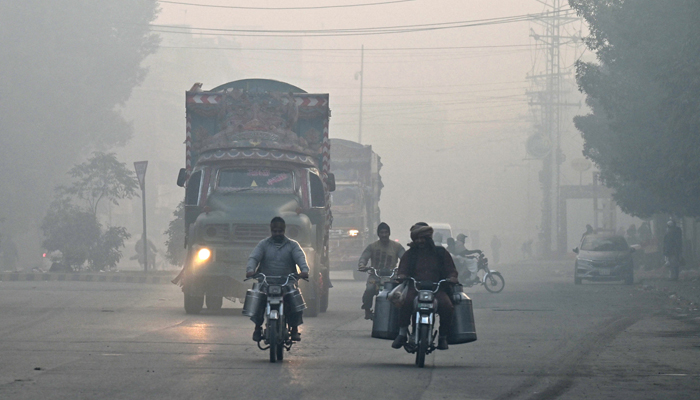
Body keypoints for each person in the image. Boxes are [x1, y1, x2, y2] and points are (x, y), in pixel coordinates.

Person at [392, 223, 458, 351]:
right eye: (417, 238)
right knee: (405, 303)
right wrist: (401, 276)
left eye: (423, 238)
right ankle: (402, 334)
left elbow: (451, 269)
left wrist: (452, 277)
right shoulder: (410, 254)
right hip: (414, 288)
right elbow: (403, 268)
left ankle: (443, 337)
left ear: (429, 238)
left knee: (447, 307)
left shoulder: (441, 252)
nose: (420, 241)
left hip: (437, 289)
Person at [246, 216, 310, 342]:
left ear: (284, 231)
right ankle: (257, 327)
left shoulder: (293, 245)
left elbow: (300, 258)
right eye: (275, 231)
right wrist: (250, 270)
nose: (277, 234)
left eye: (280, 231)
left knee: (295, 301)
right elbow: (254, 258)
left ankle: (295, 328)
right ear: (271, 231)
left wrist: (304, 270)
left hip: (287, 282)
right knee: (258, 301)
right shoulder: (263, 244)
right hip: (266, 282)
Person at [357, 222, 405, 320]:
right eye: (381, 233)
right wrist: (362, 265)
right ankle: (367, 310)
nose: (384, 235)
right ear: (378, 234)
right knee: (369, 289)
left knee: (398, 293)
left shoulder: (397, 246)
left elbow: (405, 259)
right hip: (375, 275)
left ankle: (399, 313)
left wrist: (404, 269)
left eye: (386, 232)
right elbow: (364, 257)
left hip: (391, 276)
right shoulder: (372, 246)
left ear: (389, 233)